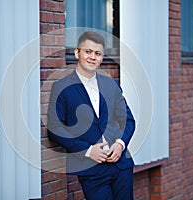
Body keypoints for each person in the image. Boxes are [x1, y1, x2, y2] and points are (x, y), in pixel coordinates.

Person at [48, 31, 135, 200]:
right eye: (88, 51)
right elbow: (55, 128)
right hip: (90, 169)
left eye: (98, 53)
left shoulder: (111, 84)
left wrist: (120, 144)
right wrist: (87, 151)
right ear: (77, 53)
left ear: (102, 57)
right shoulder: (61, 87)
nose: (92, 57)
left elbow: (128, 120)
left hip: (121, 165)